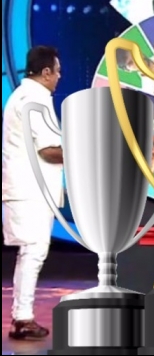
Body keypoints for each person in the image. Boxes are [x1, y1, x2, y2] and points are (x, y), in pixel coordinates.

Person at [2, 46, 64, 340]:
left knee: (32, 252)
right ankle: (22, 318)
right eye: (57, 71)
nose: (59, 77)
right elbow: (48, 150)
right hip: (30, 191)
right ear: (46, 72)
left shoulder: (24, 96)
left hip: (28, 189)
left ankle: (22, 316)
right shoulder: (34, 98)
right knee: (33, 252)